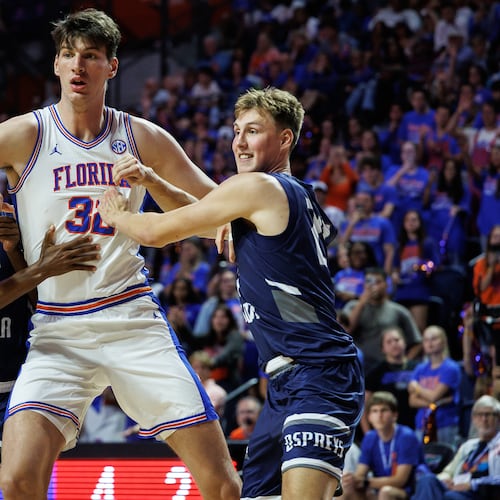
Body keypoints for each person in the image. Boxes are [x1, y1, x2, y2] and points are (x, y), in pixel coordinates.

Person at [0, 9, 241, 500]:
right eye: (68, 55)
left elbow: (217, 211)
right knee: (17, 480)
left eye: (90, 56)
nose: (77, 67)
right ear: (55, 64)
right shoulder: (25, 134)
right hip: (56, 328)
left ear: (111, 66)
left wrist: (157, 184)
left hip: (131, 320)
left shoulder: (142, 136)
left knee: (221, 484)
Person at [98, 86, 364, 499]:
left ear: (285, 138)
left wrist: (118, 216)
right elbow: (203, 219)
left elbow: (158, 232)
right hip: (285, 382)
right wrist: (152, 181)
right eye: (236, 130)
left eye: (253, 131)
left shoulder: (259, 187)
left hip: (319, 372)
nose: (239, 141)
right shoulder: (287, 197)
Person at [0, 203, 100, 447]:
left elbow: (40, 301)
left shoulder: (14, 235)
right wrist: (42, 269)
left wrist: (14, 252)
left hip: (17, 380)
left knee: (20, 474)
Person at [412, 395, 500, 500]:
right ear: (473, 419)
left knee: (450, 496)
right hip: (456, 489)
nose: (484, 419)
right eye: (479, 415)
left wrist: (472, 484)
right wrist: (445, 480)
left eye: (488, 415)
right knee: (427, 480)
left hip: (480, 493)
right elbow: (449, 472)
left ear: (498, 419)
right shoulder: (468, 446)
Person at [342, 391, 426, 500]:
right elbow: (361, 472)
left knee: (386, 492)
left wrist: (366, 482)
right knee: (347, 488)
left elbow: (400, 480)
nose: (379, 416)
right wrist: (353, 479)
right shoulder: (370, 437)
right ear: (369, 417)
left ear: (395, 415)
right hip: (378, 488)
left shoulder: (406, 436)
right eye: (374, 411)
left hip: (408, 491)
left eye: (384, 410)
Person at [343, 267, 422, 375]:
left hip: (388, 368)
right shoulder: (352, 307)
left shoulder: (399, 311)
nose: (373, 286)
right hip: (359, 366)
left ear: (386, 284)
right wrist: (361, 302)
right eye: (369, 282)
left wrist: (404, 363)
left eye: (378, 282)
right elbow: (346, 331)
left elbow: (417, 342)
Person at [408, 325, 462, 448]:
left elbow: (433, 396)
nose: (430, 343)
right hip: (421, 424)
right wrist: (438, 401)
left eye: (434, 339)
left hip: (444, 424)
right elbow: (412, 401)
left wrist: (416, 387)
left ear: (443, 341)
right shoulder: (420, 369)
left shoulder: (450, 368)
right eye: (426, 340)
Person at [363, 327, 419, 434]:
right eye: (389, 342)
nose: (394, 344)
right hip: (386, 430)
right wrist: (368, 433)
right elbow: (364, 406)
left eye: (397, 340)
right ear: (383, 348)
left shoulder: (418, 368)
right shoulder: (375, 372)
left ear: (405, 343)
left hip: (416, 426)